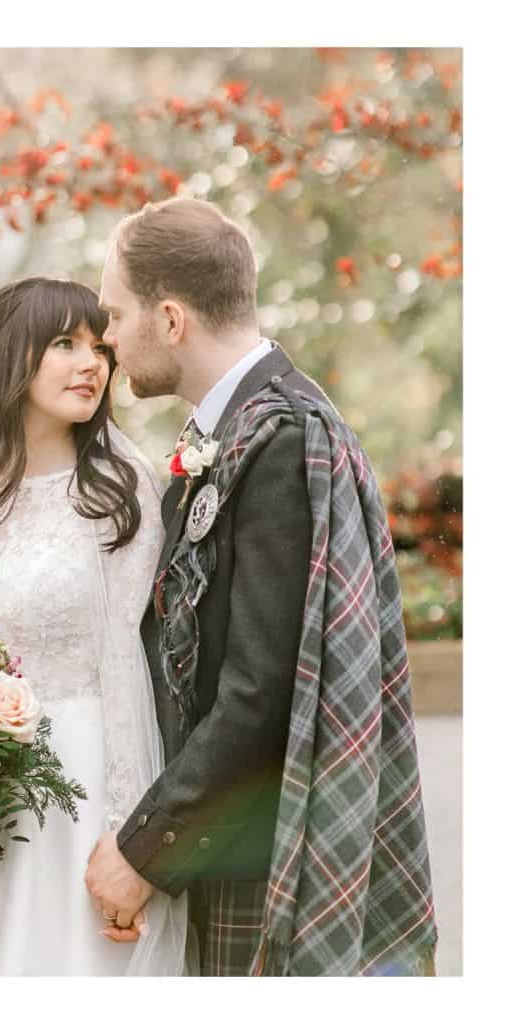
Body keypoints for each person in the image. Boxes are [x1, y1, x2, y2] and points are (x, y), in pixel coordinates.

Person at [85, 197, 438, 976]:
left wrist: (145, 852)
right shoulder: (235, 428)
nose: (106, 338)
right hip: (224, 840)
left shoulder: (280, 439)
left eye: (114, 313)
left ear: (170, 319)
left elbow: (261, 688)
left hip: (257, 853)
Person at [0, 277, 194, 976]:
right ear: (7, 358)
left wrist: (128, 836)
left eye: (97, 347)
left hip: (76, 789)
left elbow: (125, 666)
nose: (91, 363)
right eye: (62, 344)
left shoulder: (119, 490)